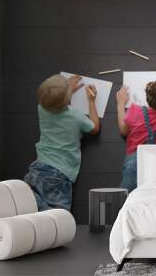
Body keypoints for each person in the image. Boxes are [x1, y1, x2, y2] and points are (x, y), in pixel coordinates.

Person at [24, 74, 100, 211]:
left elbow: (55, 103)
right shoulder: (76, 116)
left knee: (30, 209)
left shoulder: (41, 108)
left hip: (38, 169)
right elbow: (95, 128)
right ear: (67, 99)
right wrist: (91, 101)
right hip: (59, 174)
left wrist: (65, 90)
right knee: (58, 217)